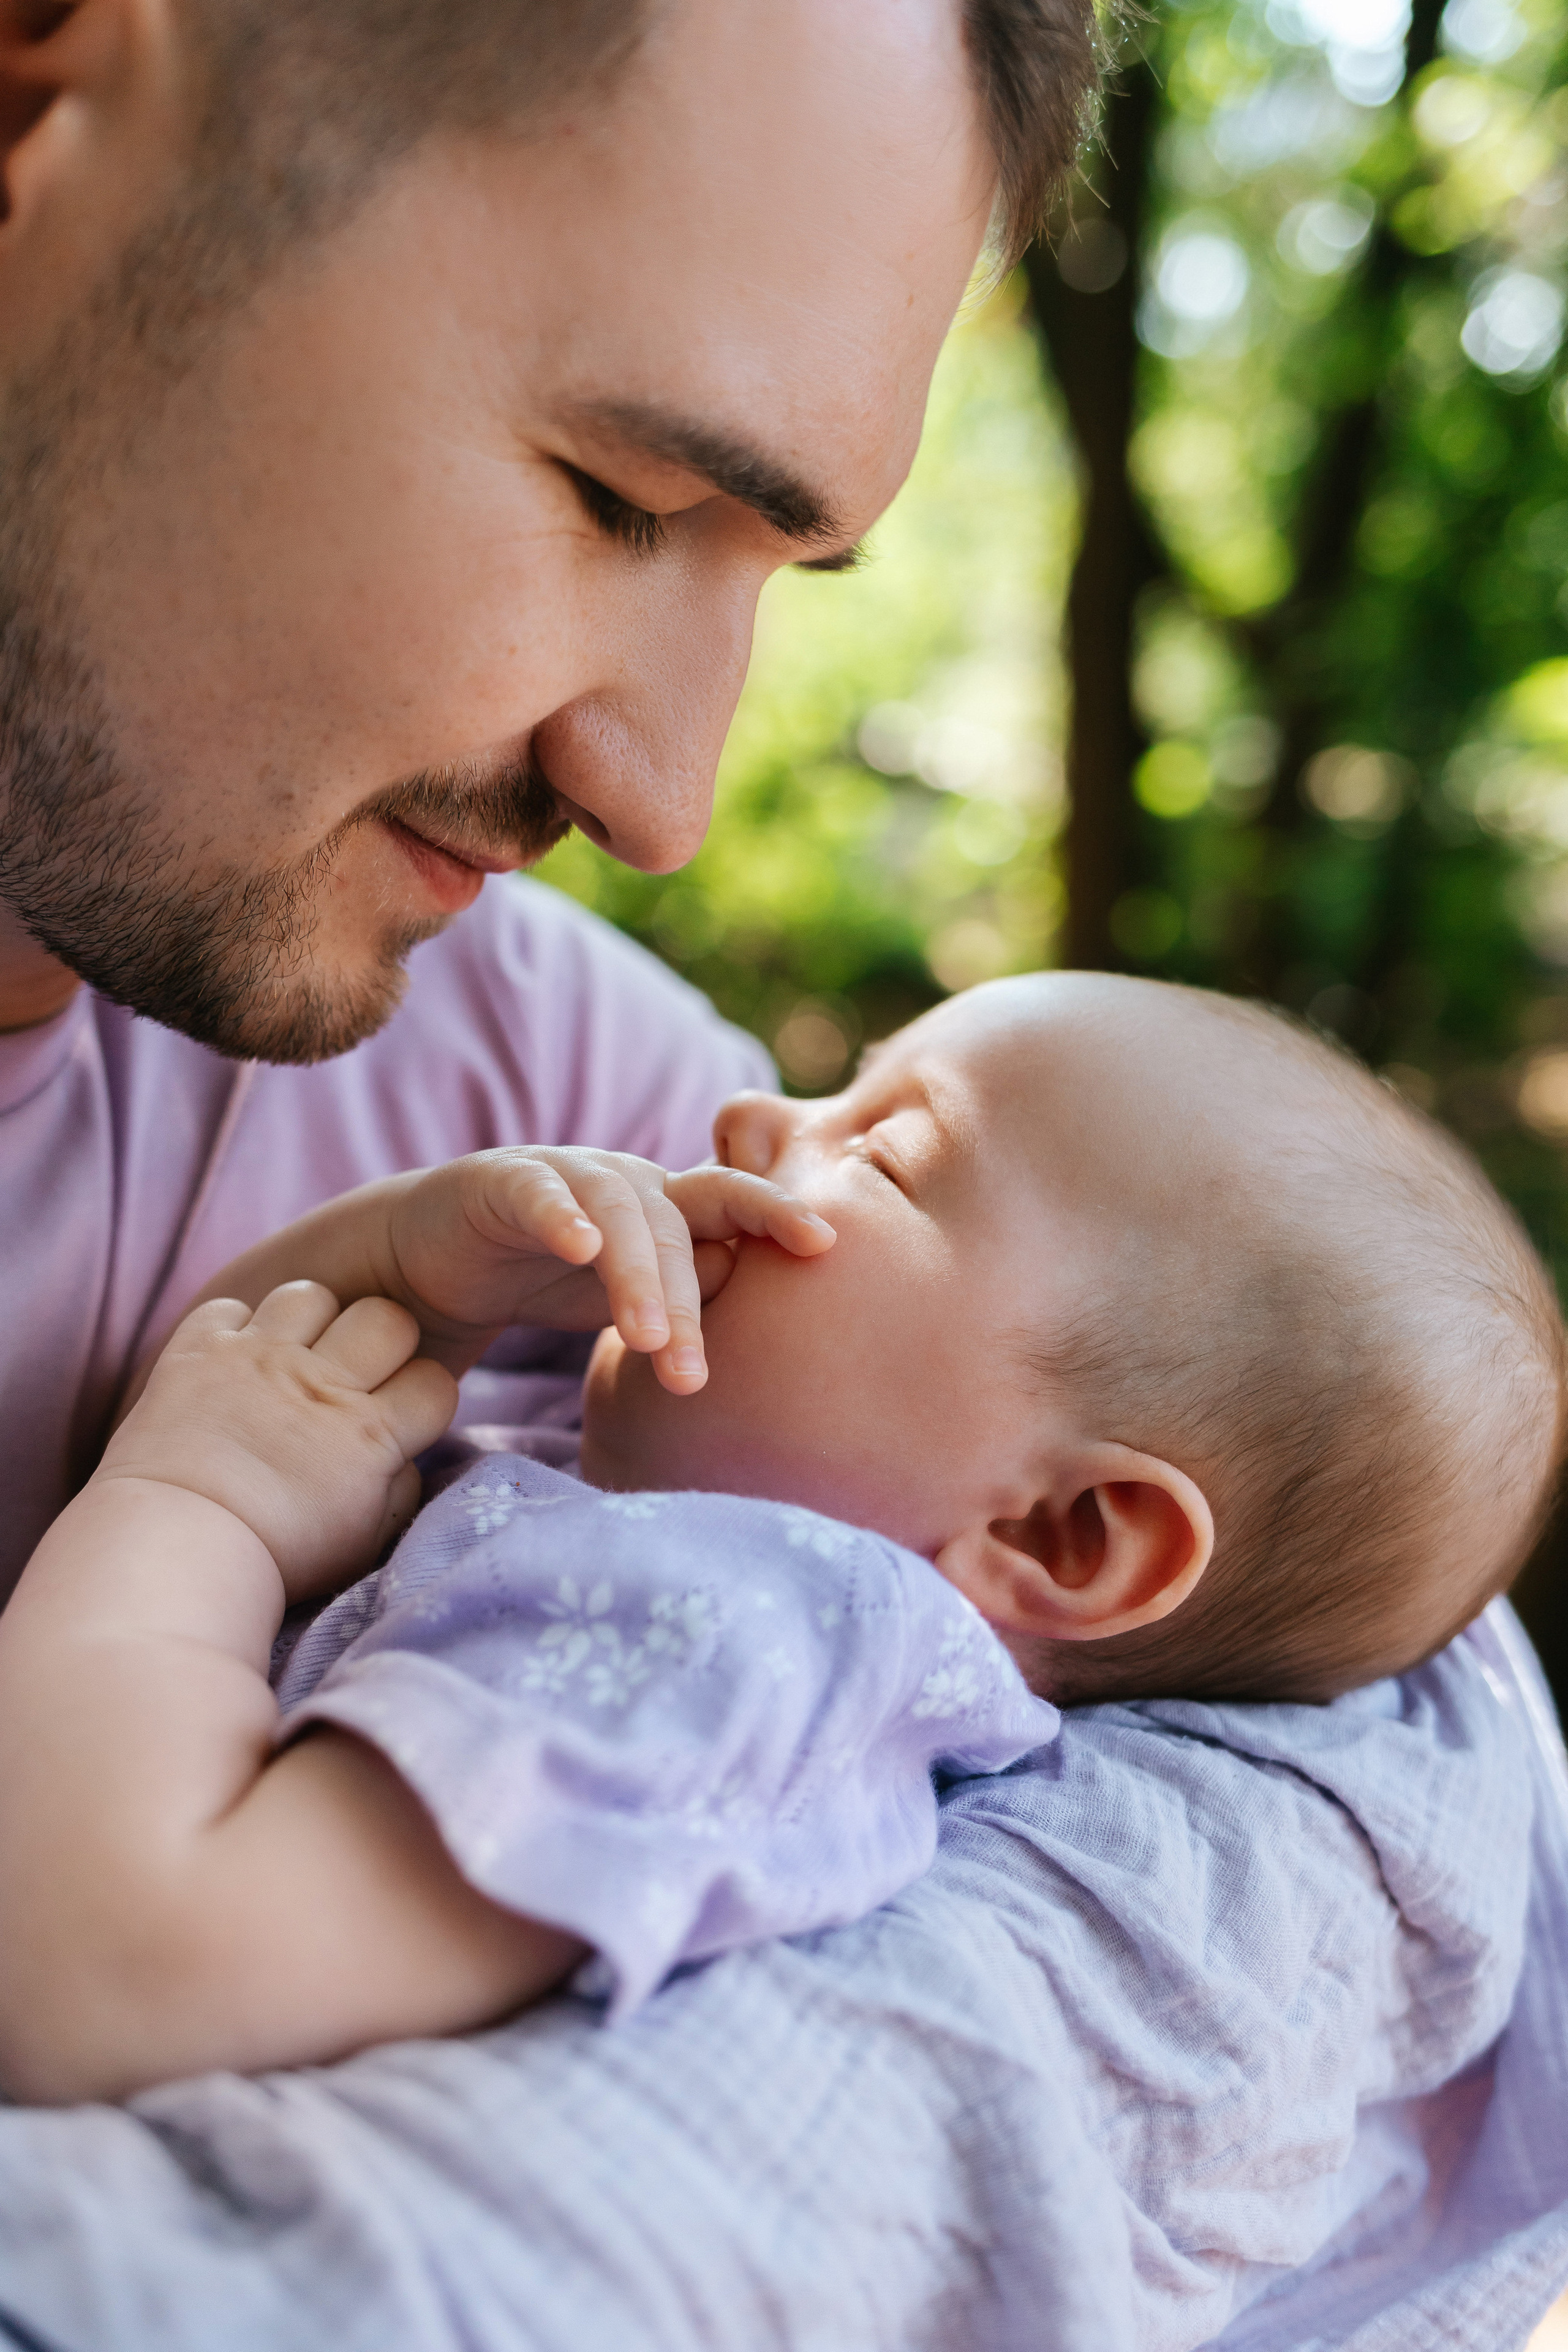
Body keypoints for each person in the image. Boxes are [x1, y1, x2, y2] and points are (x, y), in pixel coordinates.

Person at [1, 973, 1558, 2102]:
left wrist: (196, 1496)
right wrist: (402, 1277)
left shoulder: (729, 1640)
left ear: (1065, 1533)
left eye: (880, 1152)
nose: (754, 1110)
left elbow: (101, 1971)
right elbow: (206, 1411)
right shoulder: (658, 1503)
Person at [0, 0, 1099, 1588]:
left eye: (781, 573)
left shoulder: (552, 1095)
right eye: (622, 498)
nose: (663, 813)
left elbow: (1384, 1660)